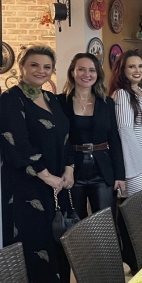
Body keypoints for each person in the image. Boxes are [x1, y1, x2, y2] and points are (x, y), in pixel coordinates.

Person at [0, 45, 74, 283]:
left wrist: (68, 169)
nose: (40, 71)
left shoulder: (52, 99)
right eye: (34, 65)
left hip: (59, 186)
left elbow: (67, 137)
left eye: (46, 67)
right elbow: (16, 142)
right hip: (29, 187)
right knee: (36, 245)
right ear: (22, 67)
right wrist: (46, 175)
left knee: (58, 243)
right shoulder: (12, 100)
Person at [59, 53, 126, 222]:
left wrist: (120, 175)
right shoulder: (59, 102)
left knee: (105, 223)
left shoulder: (107, 103)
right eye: (81, 69)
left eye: (91, 70)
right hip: (73, 169)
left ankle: (106, 250)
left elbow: (115, 140)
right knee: (75, 224)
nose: (86, 74)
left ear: (97, 74)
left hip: (102, 170)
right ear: (72, 72)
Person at [109, 50, 142, 196]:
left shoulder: (139, 90)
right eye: (131, 67)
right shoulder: (122, 94)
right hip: (134, 163)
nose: (137, 70)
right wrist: (141, 164)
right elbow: (125, 130)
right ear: (122, 70)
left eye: (140, 66)